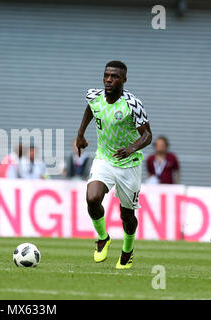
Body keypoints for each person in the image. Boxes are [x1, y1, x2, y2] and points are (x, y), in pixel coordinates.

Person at [76, 61, 152, 269]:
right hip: (104, 159)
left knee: (126, 215)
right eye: (106, 75)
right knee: (92, 198)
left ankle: (128, 250)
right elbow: (91, 109)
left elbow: (147, 136)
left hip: (129, 164)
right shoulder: (94, 96)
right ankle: (103, 238)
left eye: (115, 76)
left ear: (124, 80)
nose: (109, 80)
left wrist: (131, 148)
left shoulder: (132, 104)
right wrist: (81, 134)